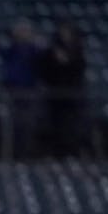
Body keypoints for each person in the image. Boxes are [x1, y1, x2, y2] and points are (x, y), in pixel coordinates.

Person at [38, 21, 87, 157]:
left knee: (71, 125)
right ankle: (58, 153)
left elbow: (78, 68)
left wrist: (66, 60)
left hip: (71, 96)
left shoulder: (77, 50)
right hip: (55, 95)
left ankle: (72, 151)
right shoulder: (52, 50)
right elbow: (45, 69)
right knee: (56, 125)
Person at [0, 20, 43, 159]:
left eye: (25, 31)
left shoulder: (34, 50)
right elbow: (6, 61)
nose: (23, 34)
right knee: (13, 124)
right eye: (20, 31)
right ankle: (12, 154)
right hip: (13, 90)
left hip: (29, 90)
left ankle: (26, 154)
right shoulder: (12, 49)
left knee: (28, 124)